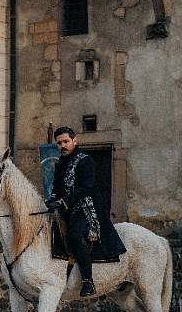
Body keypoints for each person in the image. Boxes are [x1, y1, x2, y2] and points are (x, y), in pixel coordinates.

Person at [44, 126, 126, 296]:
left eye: (66, 141)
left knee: (74, 234)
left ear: (74, 141)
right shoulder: (60, 163)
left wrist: (63, 201)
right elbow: (57, 187)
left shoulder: (85, 160)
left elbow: (85, 188)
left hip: (86, 207)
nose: (63, 145)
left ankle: (88, 281)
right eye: (59, 143)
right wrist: (52, 200)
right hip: (67, 208)